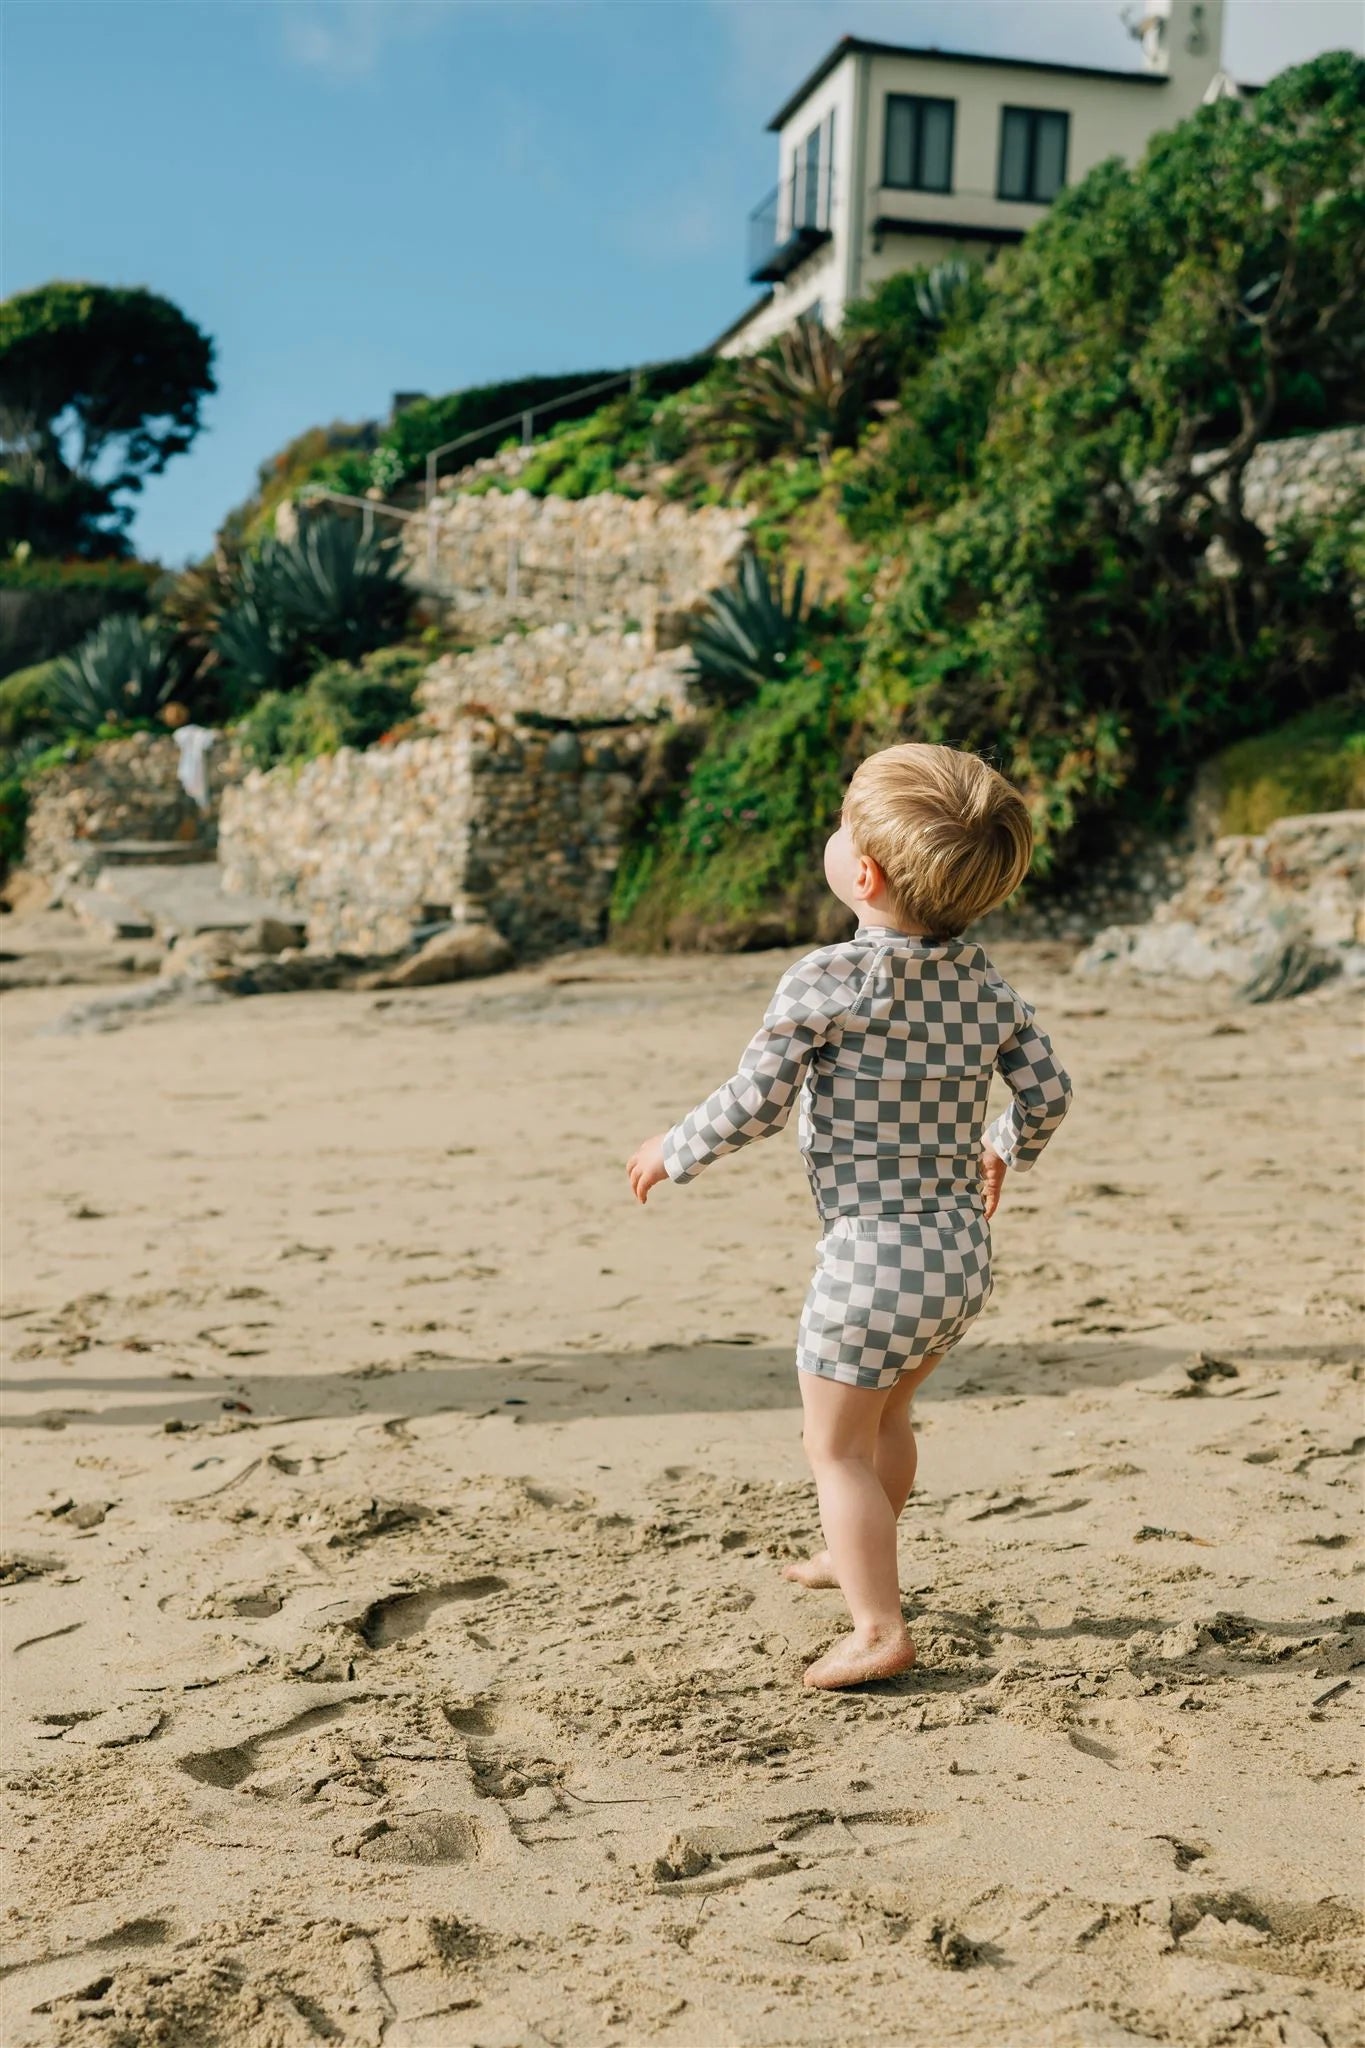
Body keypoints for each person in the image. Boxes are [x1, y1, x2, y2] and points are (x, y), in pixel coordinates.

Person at [626, 743, 1072, 1691]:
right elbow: (1048, 1094)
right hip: (958, 1258)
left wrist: (674, 1149)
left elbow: (756, 1100)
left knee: (832, 1448)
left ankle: (876, 1627)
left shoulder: (830, 978)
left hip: (870, 1261)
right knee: (886, 1422)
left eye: (841, 827)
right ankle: (852, 1548)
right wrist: (1003, 1148)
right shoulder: (987, 987)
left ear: (860, 872)